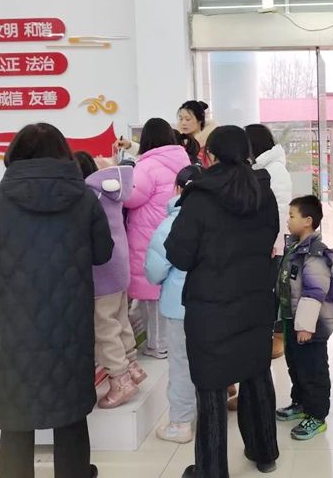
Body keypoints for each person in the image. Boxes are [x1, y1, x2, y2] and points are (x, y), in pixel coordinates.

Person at [0, 123, 113, 478]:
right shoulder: (84, 197)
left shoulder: (0, 198)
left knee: (17, 412)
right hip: (71, 324)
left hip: (18, 328)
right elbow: (103, 252)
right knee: (71, 413)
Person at [165, 126, 280, 478]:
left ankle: (211, 470)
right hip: (255, 301)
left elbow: (179, 254)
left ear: (210, 156)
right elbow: (270, 238)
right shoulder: (263, 192)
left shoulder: (200, 197)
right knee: (256, 375)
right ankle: (264, 452)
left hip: (210, 308)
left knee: (212, 389)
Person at [75, 152, 145, 409]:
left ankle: (120, 379)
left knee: (104, 328)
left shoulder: (88, 196)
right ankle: (132, 366)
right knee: (120, 320)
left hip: (101, 272)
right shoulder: (110, 191)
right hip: (119, 268)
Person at [145, 164, 203, 444]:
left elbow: (154, 271)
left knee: (181, 364)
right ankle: (209, 411)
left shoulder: (170, 225)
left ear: (177, 189)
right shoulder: (218, 222)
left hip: (179, 307)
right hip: (212, 304)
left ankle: (181, 423)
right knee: (208, 360)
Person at [123, 118, 190, 359]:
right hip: (175, 229)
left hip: (148, 235)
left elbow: (130, 197)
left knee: (151, 293)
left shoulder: (147, 166)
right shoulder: (182, 161)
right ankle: (168, 342)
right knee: (168, 290)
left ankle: (157, 345)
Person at [275, 195, 333, 440]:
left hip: (310, 325)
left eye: (292, 216)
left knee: (313, 369)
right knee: (296, 365)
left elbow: (314, 293)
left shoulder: (314, 254)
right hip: (293, 320)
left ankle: (317, 416)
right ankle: (300, 403)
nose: (288, 220)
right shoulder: (294, 246)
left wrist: (305, 326)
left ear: (308, 221)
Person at [246, 123, 293, 361]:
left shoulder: (273, 170)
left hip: (273, 244)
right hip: (268, 242)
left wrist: (271, 243)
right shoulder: (264, 167)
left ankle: (277, 335)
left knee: (274, 291)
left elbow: (279, 212)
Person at [117, 101, 214, 167]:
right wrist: (129, 145)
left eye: (188, 119)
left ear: (200, 120)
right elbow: (154, 153)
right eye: (180, 119)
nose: (183, 123)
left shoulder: (211, 144)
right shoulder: (175, 139)